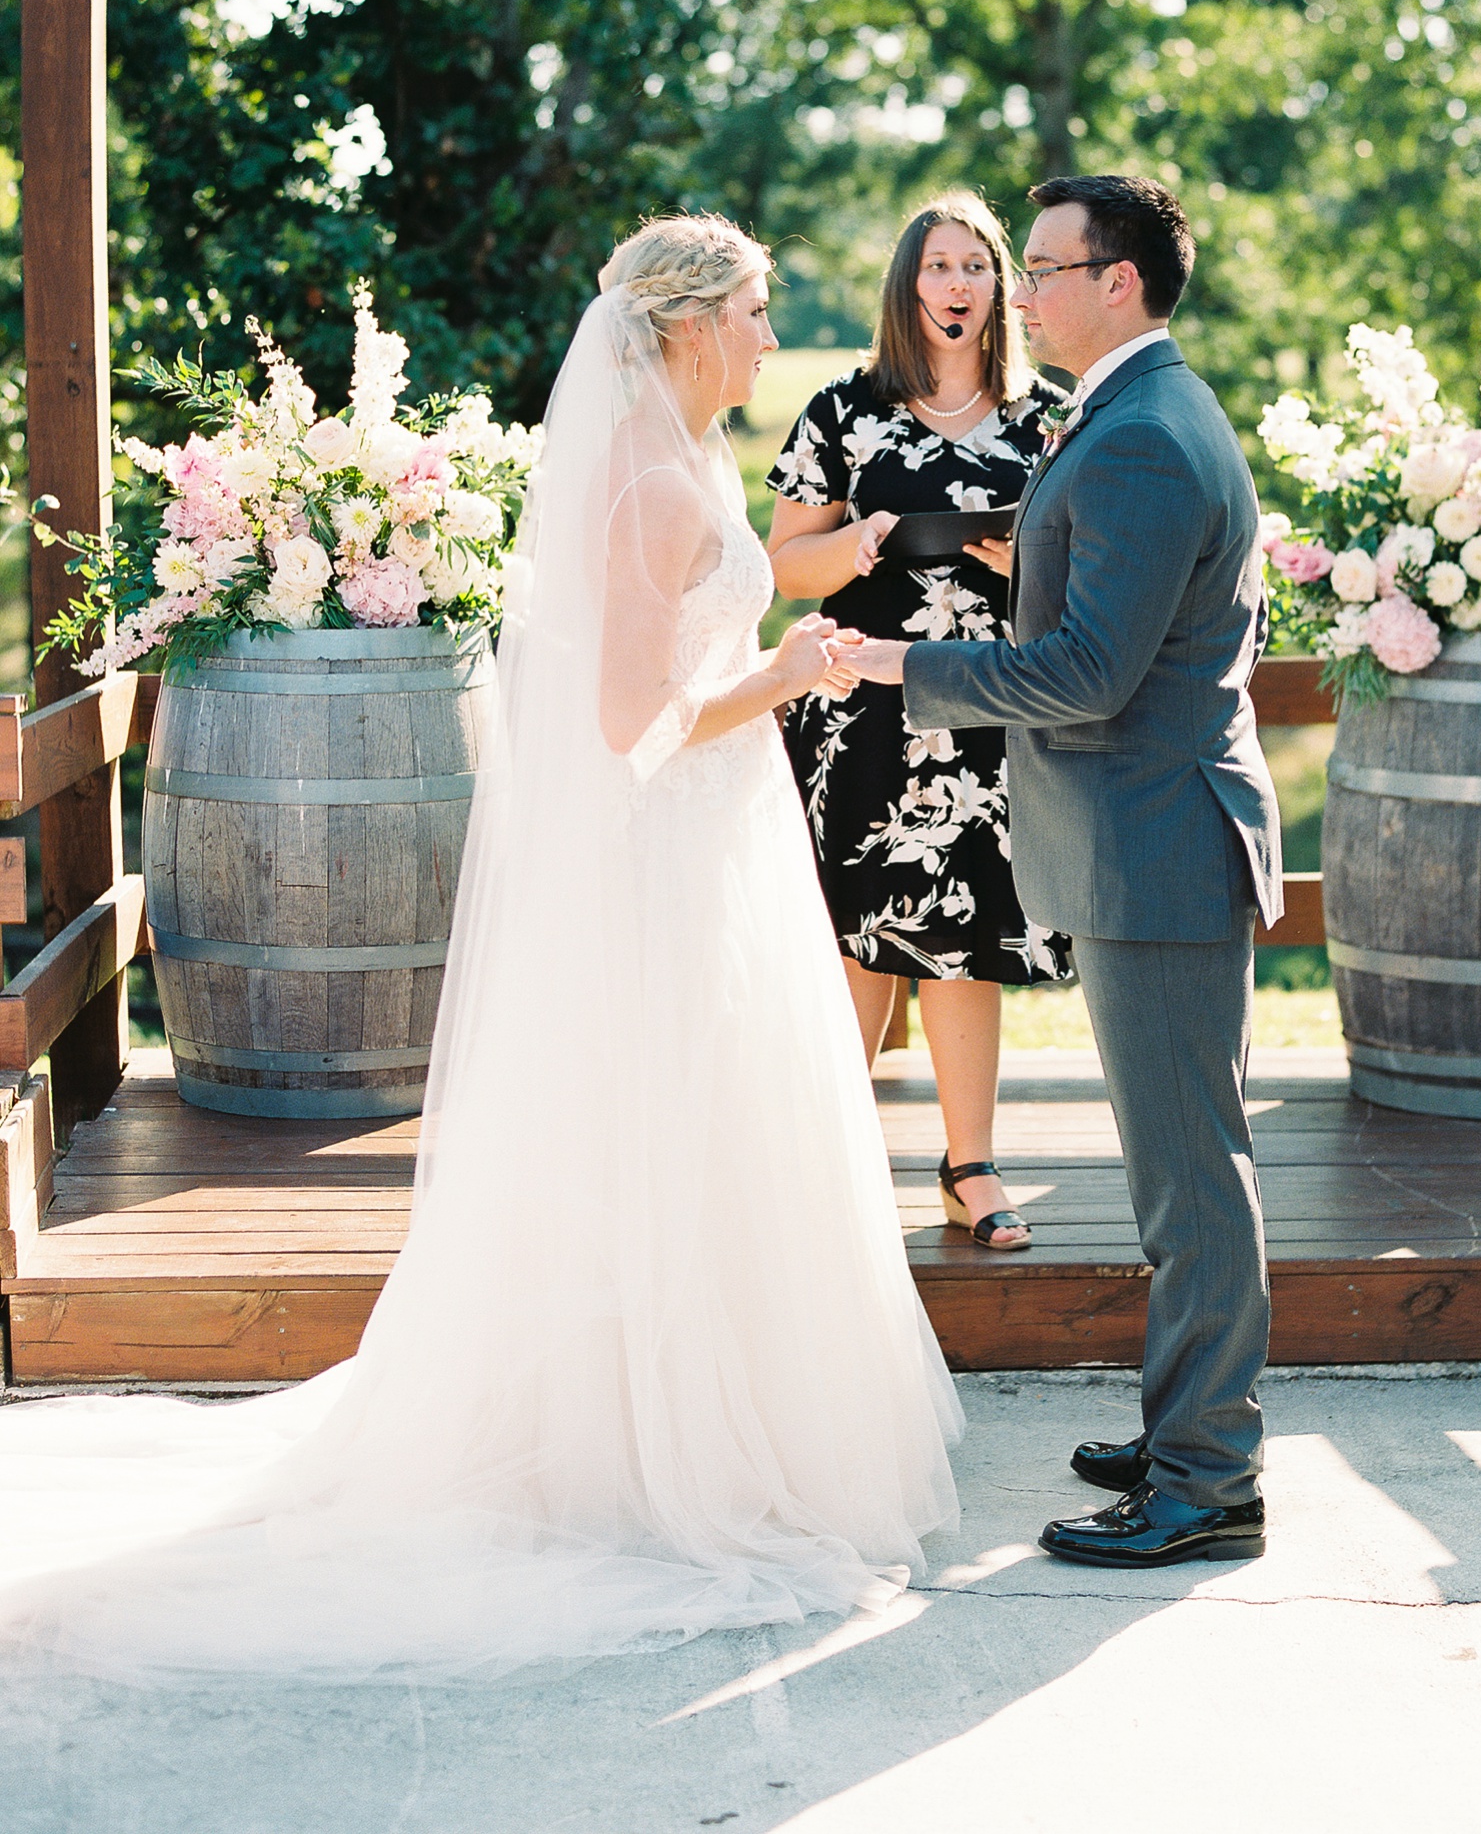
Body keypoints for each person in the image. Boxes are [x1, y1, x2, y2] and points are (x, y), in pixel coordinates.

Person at [0, 215, 960, 1680]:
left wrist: (764, 677)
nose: (774, 335)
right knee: (672, 1117)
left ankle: (706, 1417)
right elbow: (625, 726)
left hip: (718, 833)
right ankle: (649, 1451)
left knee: (708, 1125)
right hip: (672, 845)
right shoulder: (646, 480)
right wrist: (780, 674)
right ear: (693, 321)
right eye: (759, 310)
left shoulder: (684, 454)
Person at [853, 173, 1283, 1568]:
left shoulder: (1147, 431)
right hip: (1144, 837)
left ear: (1123, 282)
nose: (1018, 293)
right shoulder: (1132, 407)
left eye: (1043, 268)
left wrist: (896, 660)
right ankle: (1186, 1426)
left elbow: (1090, 674)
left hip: (1158, 844)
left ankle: (1208, 1479)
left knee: (1190, 1178)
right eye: (1021, 268)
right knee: (1177, 1166)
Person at [767, 191, 1072, 1252]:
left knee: (967, 937)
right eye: (938, 267)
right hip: (860, 705)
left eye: (977, 266)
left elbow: (1090, 576)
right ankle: (826, 1173)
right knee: (856, 936)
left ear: (1005, 289)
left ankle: (970, 1168)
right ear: (908, 286)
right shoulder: (842, 410)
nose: (957, 285)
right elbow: (781, 563)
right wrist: (863, 541)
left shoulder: (1053, 418)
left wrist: (1020, 558)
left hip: (990, 710)